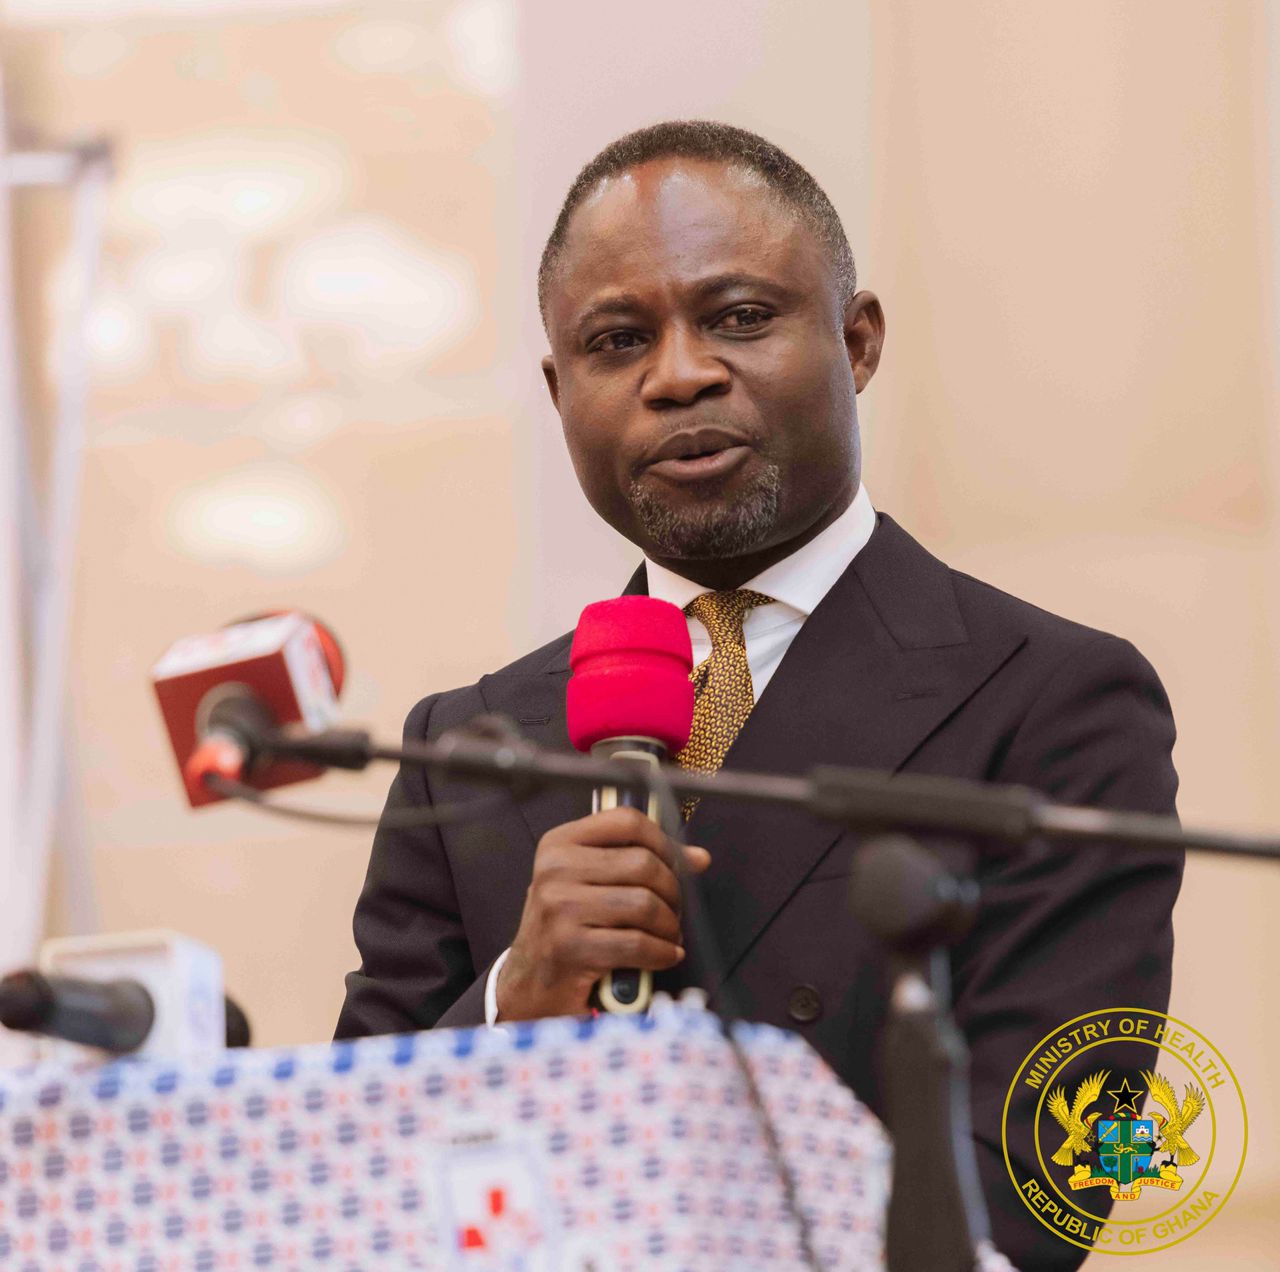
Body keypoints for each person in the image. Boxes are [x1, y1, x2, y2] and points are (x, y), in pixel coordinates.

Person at [335, 121, 1182, 1268]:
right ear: (558, 388)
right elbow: (343, 1184)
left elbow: (1051, 1177)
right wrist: (513, 998)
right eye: (616, 340)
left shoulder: (1054, 702)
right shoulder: (466, 747)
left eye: (737, 317)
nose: (677, 374)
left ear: (857, 340)